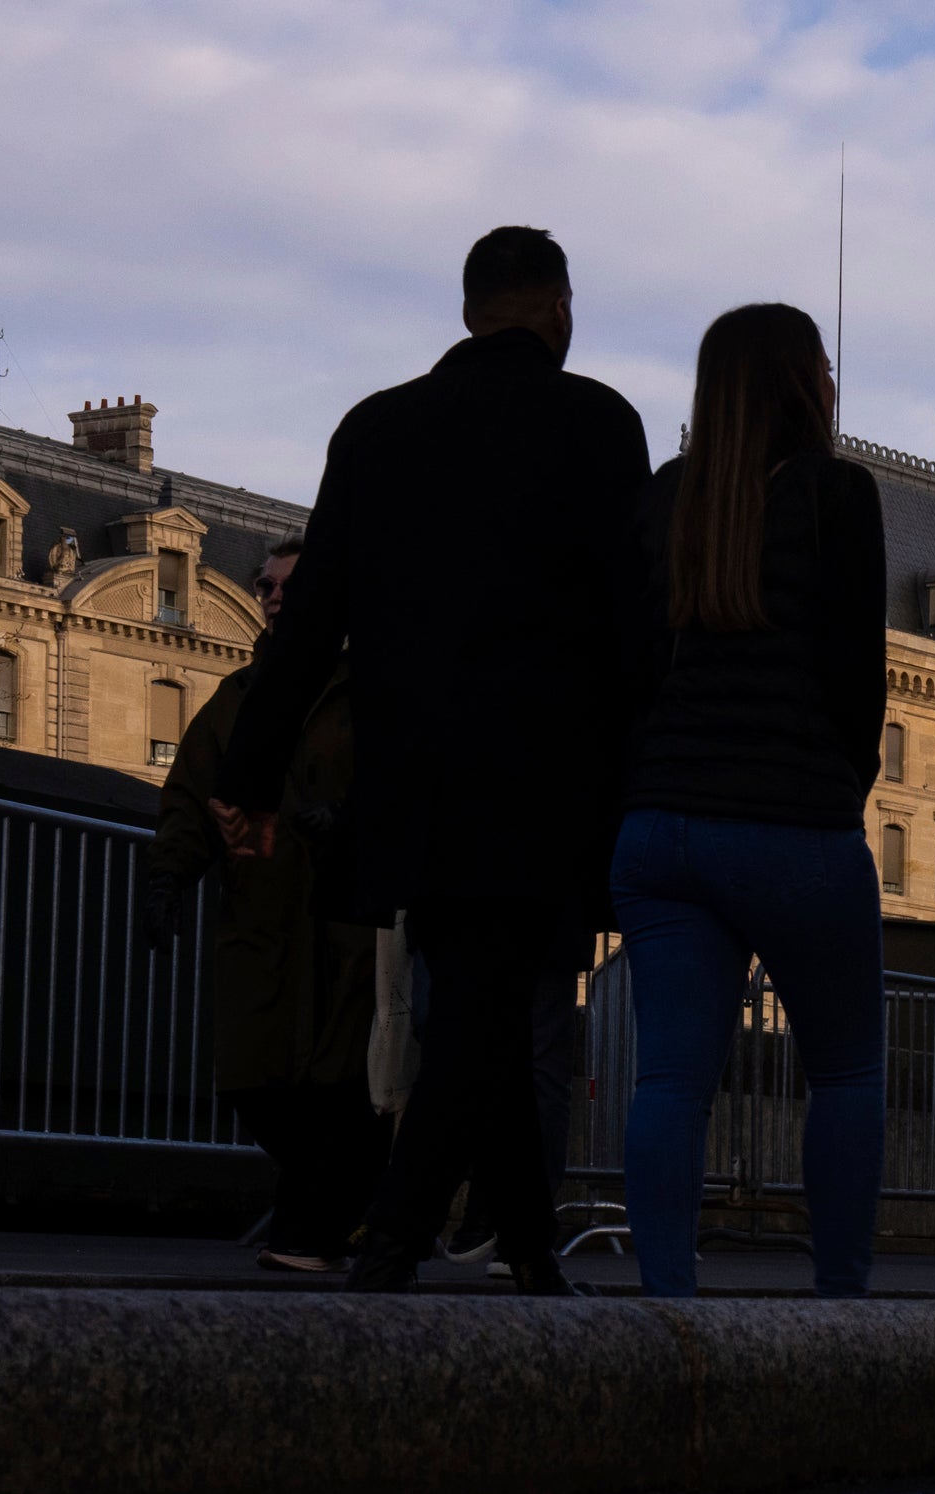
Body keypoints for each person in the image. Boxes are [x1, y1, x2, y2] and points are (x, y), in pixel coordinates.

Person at [220, 226, 651, 1294]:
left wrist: (249, 775)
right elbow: (634, 625)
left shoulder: (377, 428)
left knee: (476, 998)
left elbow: (311, 619)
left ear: (468, 311)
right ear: (556, 309)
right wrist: (643, 783)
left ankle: (531, 1254)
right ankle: (397, 1238)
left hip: (411, 777)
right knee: (487, 1006)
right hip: (545, 780)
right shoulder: (599, 424)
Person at [612, 303, 888, 1299]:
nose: (831, 380)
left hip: (660, 827)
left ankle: (668, 1310)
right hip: (791, 819)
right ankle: (840, 1306)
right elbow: (859, 678)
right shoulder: (836, 494)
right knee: (847, 1071)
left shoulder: (665, 499)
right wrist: (835, 790)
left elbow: (632, 671)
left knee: (671, 1081)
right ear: (796, 381)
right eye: (822, 364)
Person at [149, 540, 384, 1270]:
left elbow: (404, 788)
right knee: (254, 1081)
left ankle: (306, 1233)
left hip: (350, 926)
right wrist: (165, 881)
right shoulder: (237, 698)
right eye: (265, 585)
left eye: (291, 584)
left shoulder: (371, 690)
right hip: (264, 918)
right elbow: (191, 796)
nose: (274, 595)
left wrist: (344, 823)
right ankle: (346, 1214)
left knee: (343, 1086)